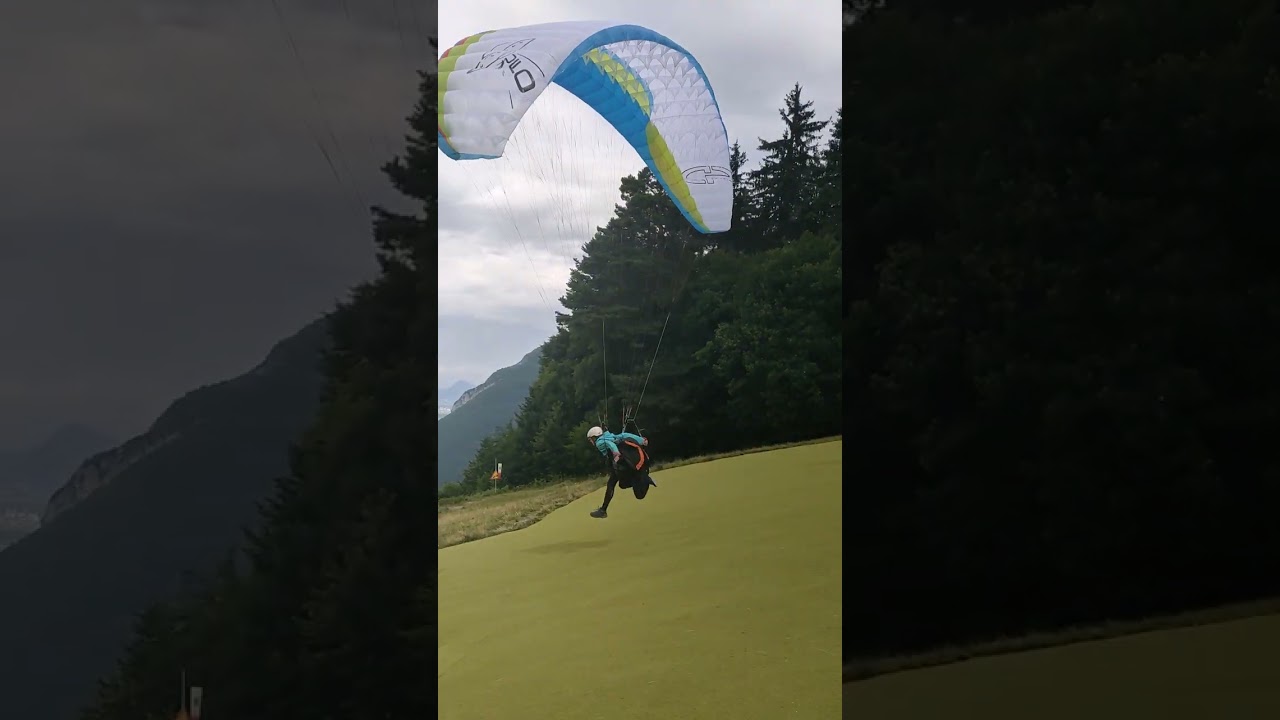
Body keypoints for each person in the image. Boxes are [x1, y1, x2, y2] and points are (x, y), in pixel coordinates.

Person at [586, 425, 656, 518]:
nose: (591, 442)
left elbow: (610, 444)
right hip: (625, 464)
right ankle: (645, 479)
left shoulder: (600, 442)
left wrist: (616, 453)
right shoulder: (610, 436)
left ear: (594, 437)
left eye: (590, 439)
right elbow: (624, 435)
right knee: (631, 490)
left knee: (613, 485)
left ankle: (603, 510)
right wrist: (641, 440)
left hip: (621, 464)